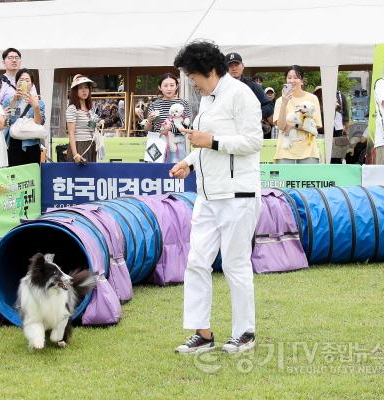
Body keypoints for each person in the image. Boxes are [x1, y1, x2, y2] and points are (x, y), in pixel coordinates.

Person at [170, 40, 263, 354]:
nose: (192, 83)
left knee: (236, 264)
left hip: (238, 194)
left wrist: (211, 141)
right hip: (207, 195)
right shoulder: (207, 100)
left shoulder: (241, 95)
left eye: (193, 76)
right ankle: (203, 334)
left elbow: (253, 142)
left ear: (210, 70)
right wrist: (189, 161)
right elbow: (205, 144)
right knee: (196, 261)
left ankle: (245, 333)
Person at [273, 65, 323, 164]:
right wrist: (284, 103)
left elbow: (315, 126)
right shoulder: (280, 101)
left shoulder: (312, 98)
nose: (292, 80)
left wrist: (292, 125)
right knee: (285, 179)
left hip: (309, 151)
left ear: (302, 80)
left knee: (308, 179)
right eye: (289, 77)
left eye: (296, 77)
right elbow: (281, 126)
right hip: (285, 150)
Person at [143, 73, 192, 162]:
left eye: (172, 85)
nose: (169, 88)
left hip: (177, 144)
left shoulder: (183, 104)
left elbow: (188, 127)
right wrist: (149, 121)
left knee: (175, 171)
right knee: (155, 173)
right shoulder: (154, 105)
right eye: (165, 85)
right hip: (157, 142)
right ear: (160, 87)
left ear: (177, 86)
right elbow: (147, 130)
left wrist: (170, 128)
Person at [3, 68, 45, 166]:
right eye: (21, 80)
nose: (24, 83)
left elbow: (39, 123)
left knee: (31, 176)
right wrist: (14, 101)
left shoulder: (39, 101)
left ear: (32, 84)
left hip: (32, 143)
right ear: (16, 82)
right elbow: (9, 121)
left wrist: (36, 107)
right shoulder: (9, 100)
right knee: (14, 175)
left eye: (27, 80)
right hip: (14, 142)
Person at [226, 52, 274, 138]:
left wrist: (253, 115)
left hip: (248, 132)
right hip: (227, 130)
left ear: (243, 66)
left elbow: (268, 105)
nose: (233, 68)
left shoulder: (252, 86)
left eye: (236, 65)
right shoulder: (220, 87)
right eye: (230, 66)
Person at [66, 74, 99, 163]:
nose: (84, 90)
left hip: (91, 145)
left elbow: (91, 128)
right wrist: (75, 154)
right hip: (79, 145)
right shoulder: (72, 108)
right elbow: (71, 133)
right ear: (75, 91)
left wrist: (97, 124)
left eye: (86, 87)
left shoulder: (90, 109)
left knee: (91, 176)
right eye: (80, 88)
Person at [330, 90, 351, 164]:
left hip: (338, 127)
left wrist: (346, 126)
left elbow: (345, 112)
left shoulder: (340, 95)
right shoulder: (321, 92)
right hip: (324, 127)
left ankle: (337, 164)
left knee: (337, 151)